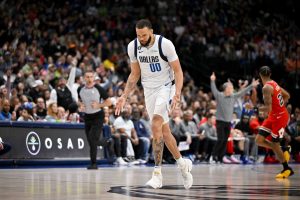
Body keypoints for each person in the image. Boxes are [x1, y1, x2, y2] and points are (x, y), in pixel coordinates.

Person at [115, 19, 193, 189]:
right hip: (148, 90)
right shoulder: (133, 47)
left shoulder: (165, 44)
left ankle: (157, 174)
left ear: (151, 31)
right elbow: (135, 74)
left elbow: (178, 71)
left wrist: (178, 93)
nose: (141, 38)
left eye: (144, 35)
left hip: (167, 87)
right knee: (164, 132)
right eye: (138, 35)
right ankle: (182, 164)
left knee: (156, 123)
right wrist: (124, 96)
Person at [210, 72, 259, 163]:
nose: (232, 89)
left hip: (228, 122)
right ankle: (213, 156)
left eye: (232, 88)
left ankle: (221, 157)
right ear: (226, 89)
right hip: (220, 121)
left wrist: (252, 86)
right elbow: (213, 89)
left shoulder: (233, 96)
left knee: (225, 140)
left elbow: (242, 92)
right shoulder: (219, 95)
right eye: (231, 88)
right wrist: (212, 80)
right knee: (220, 139)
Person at [255, 66, 294, 178]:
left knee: (274, 143)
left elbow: (268, 109)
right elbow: (287, 95)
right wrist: (280, 106)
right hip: (275, 116)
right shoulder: (274, 83)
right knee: (259, 140)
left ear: (260, 75)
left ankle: (287, 169)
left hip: (280, 118)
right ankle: (284, 149)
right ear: (270, 74)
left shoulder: (266, 88)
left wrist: (254, 108)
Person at [78, 70, 112, 169]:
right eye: (87, 77)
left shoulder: (99, 88)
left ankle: (94, 164)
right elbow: (79, 100)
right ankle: (108, 142)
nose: (89, 79)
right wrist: (81, 105)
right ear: (84, 78)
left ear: (94, 78)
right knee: (91, 141)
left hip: (98, 116)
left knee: (93, 139)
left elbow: (109, 102)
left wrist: (99, 105)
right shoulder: (80, 89)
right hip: (87, 117)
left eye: (91, 77)